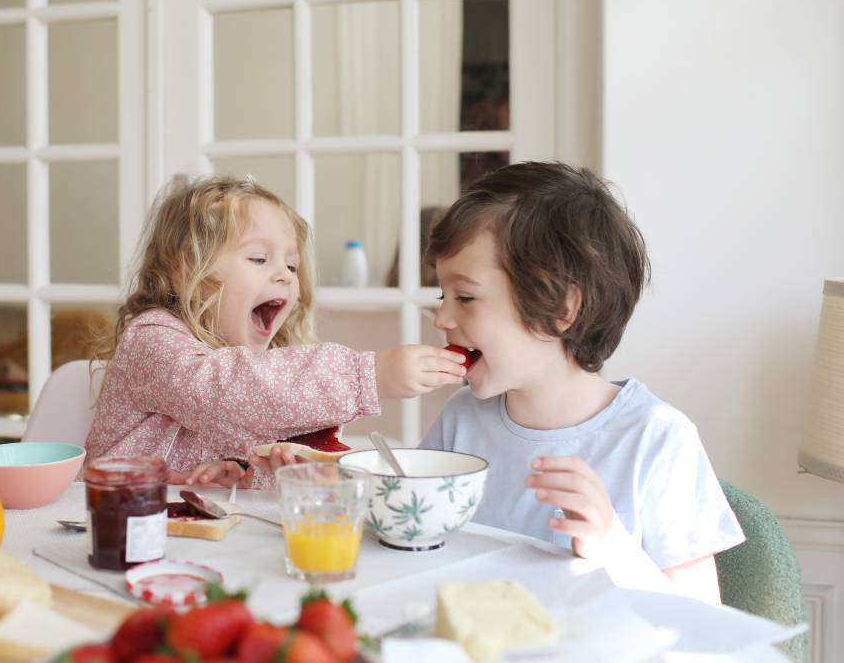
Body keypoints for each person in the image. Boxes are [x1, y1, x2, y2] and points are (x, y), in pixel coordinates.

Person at [421, 162, 743, 604]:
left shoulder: (657, 439)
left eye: (466, 297)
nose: (442, 318)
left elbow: (702, 621)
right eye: (442, 295)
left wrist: (612, 545)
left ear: (561, 308)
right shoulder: (461, 419)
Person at [86, 175, 466, 488]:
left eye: (291, 264)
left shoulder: (266, 370)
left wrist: (256, 474)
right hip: (114, 522)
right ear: (186, 272)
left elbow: (251, 434)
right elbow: (221, 393)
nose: (285, 275)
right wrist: (367, 376)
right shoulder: (153, 338)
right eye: (258, 258)